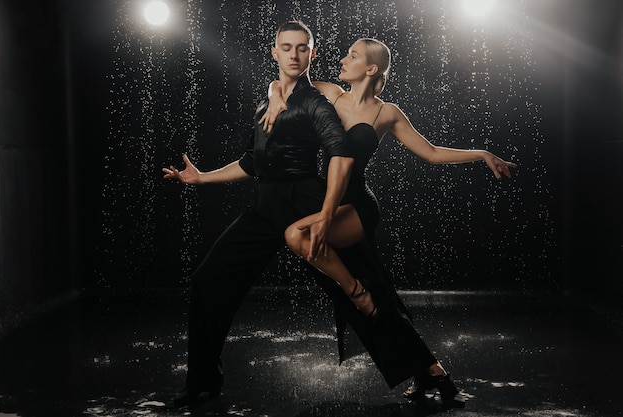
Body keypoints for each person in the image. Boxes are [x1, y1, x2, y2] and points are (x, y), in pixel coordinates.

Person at [260, 37, 517, 406]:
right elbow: (283, 81)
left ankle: (359, 294)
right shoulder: (329, 94)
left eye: (353, 56)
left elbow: (430, 152)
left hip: (357, 209)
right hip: (325, 201)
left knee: (298, 238)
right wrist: (273, 98)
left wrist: (481, 153)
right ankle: (431, 372)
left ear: (371, 69)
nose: (343, 59)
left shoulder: (387, 112)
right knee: (380, 299)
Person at [161, 21, 355, 408]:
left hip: (305, 202)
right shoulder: (266, 101)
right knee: (207, 281)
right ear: (275, 53)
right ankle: (202, 382)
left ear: (312, 54)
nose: (295, 55)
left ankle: (423, 368)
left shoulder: (316, 101)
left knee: (360, 288)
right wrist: (202, 178)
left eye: (303, 48)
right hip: (266, 206)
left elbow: (340, 150)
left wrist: (327, 212)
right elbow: (252, 162)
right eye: (287, 48)